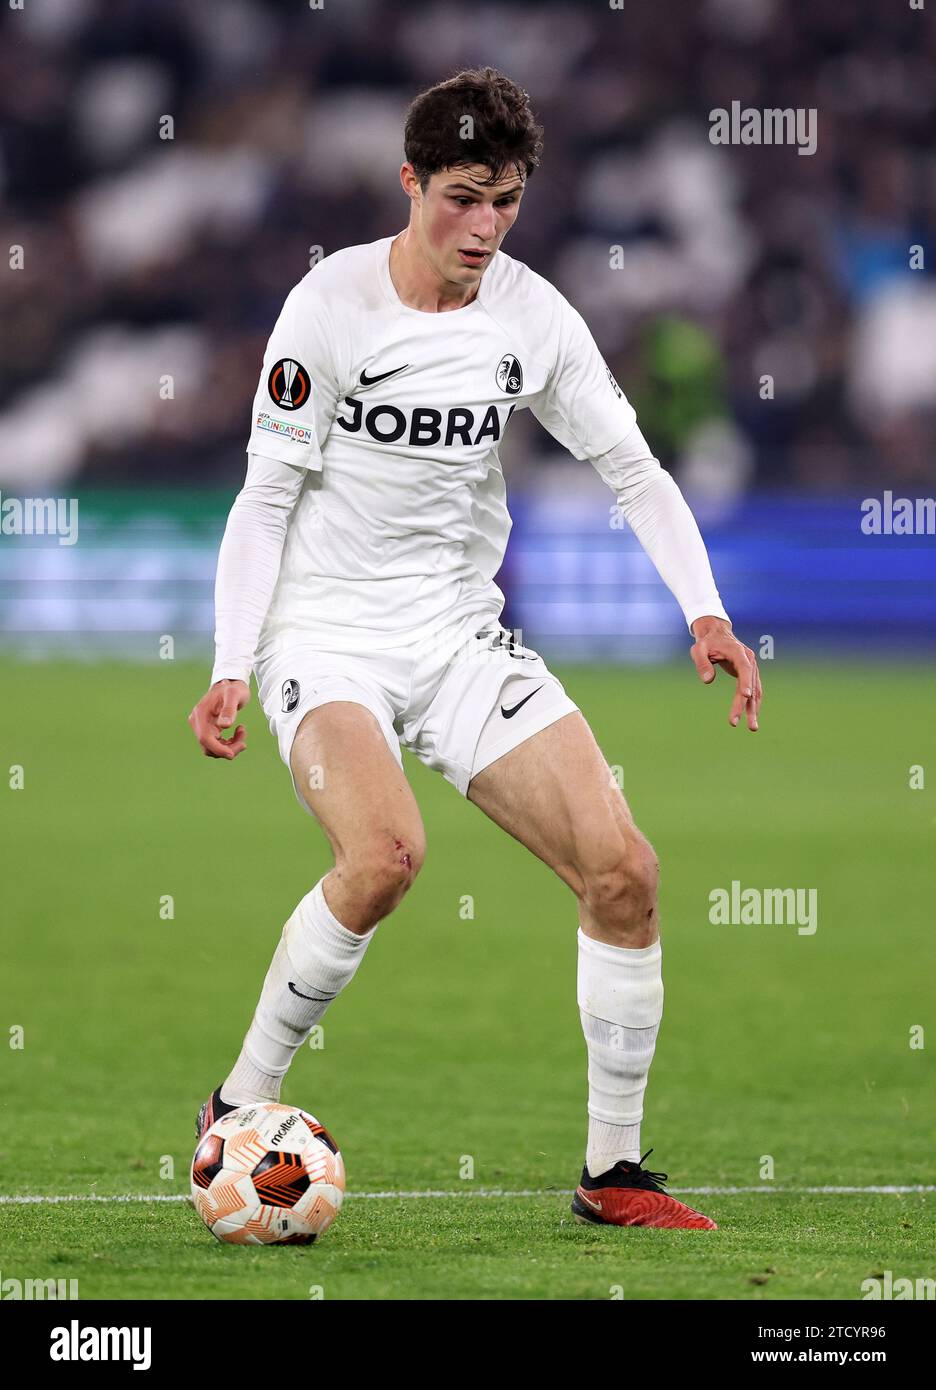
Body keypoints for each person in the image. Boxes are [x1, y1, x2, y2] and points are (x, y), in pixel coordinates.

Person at [188, 67, 762, 1230]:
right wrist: (228, 663)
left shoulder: (532, 315)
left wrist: (704, 610)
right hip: (329, 637)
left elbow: (634, 471)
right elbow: (262, 500)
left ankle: (614, 1175)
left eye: (505, 200)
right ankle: (239, 1104)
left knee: (625, 874)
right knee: (388, 854)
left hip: (457, 639)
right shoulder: (330, 310)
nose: (485, 227)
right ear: (410, 184)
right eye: (461, 198)